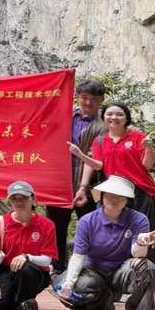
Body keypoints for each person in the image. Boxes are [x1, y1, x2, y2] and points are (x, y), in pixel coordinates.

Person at [54, 176, 155, 310]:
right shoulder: (87, 221)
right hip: (93, 271)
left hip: (122, 270)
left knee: (147, 268)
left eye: (121, 196)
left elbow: (138, 255)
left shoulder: (139, 219)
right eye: (110, 194)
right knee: (74, 291)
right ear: (102, 195)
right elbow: (79, 256)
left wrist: (141, 242)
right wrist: (69, 284)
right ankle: (103, 306)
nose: (114, 199)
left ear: (127, 200)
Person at [70, 101, 155, 263]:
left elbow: (147, 165)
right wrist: (80, 155)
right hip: (114, 193)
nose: (114, 117)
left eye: (119, 114)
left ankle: (145, 272)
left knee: (144, 236)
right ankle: (116, 272)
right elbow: (98, 165)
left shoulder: (138, 136)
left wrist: (148, 148)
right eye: (109, 114)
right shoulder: (100, 140)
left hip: (141, 192)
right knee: (116, 235)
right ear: (104, 117)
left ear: (126, 118)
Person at [0, 181, 57, 310]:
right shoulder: (1, 222)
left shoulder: (46, 225)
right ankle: (18, 306)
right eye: (14, 198)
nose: (19, 202)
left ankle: (30, 303)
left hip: (34, 273)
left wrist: (27, 257)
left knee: (26, 268)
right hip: (7, 270)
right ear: (10, 201)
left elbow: (47, 260)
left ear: (33, 199)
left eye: (24, 198)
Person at [47, 80, 109, 272]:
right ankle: (57, 266)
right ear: (77, 97)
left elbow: (96, 156)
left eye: (93, 99)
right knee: (56, 225)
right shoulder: (65, 116)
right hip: (59, 181)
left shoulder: (104, 125)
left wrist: (84, 186)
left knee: (91, 226)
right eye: (84, 97)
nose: (88, 103)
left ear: (101, 100)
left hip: (89, 185)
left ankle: (90, 268)